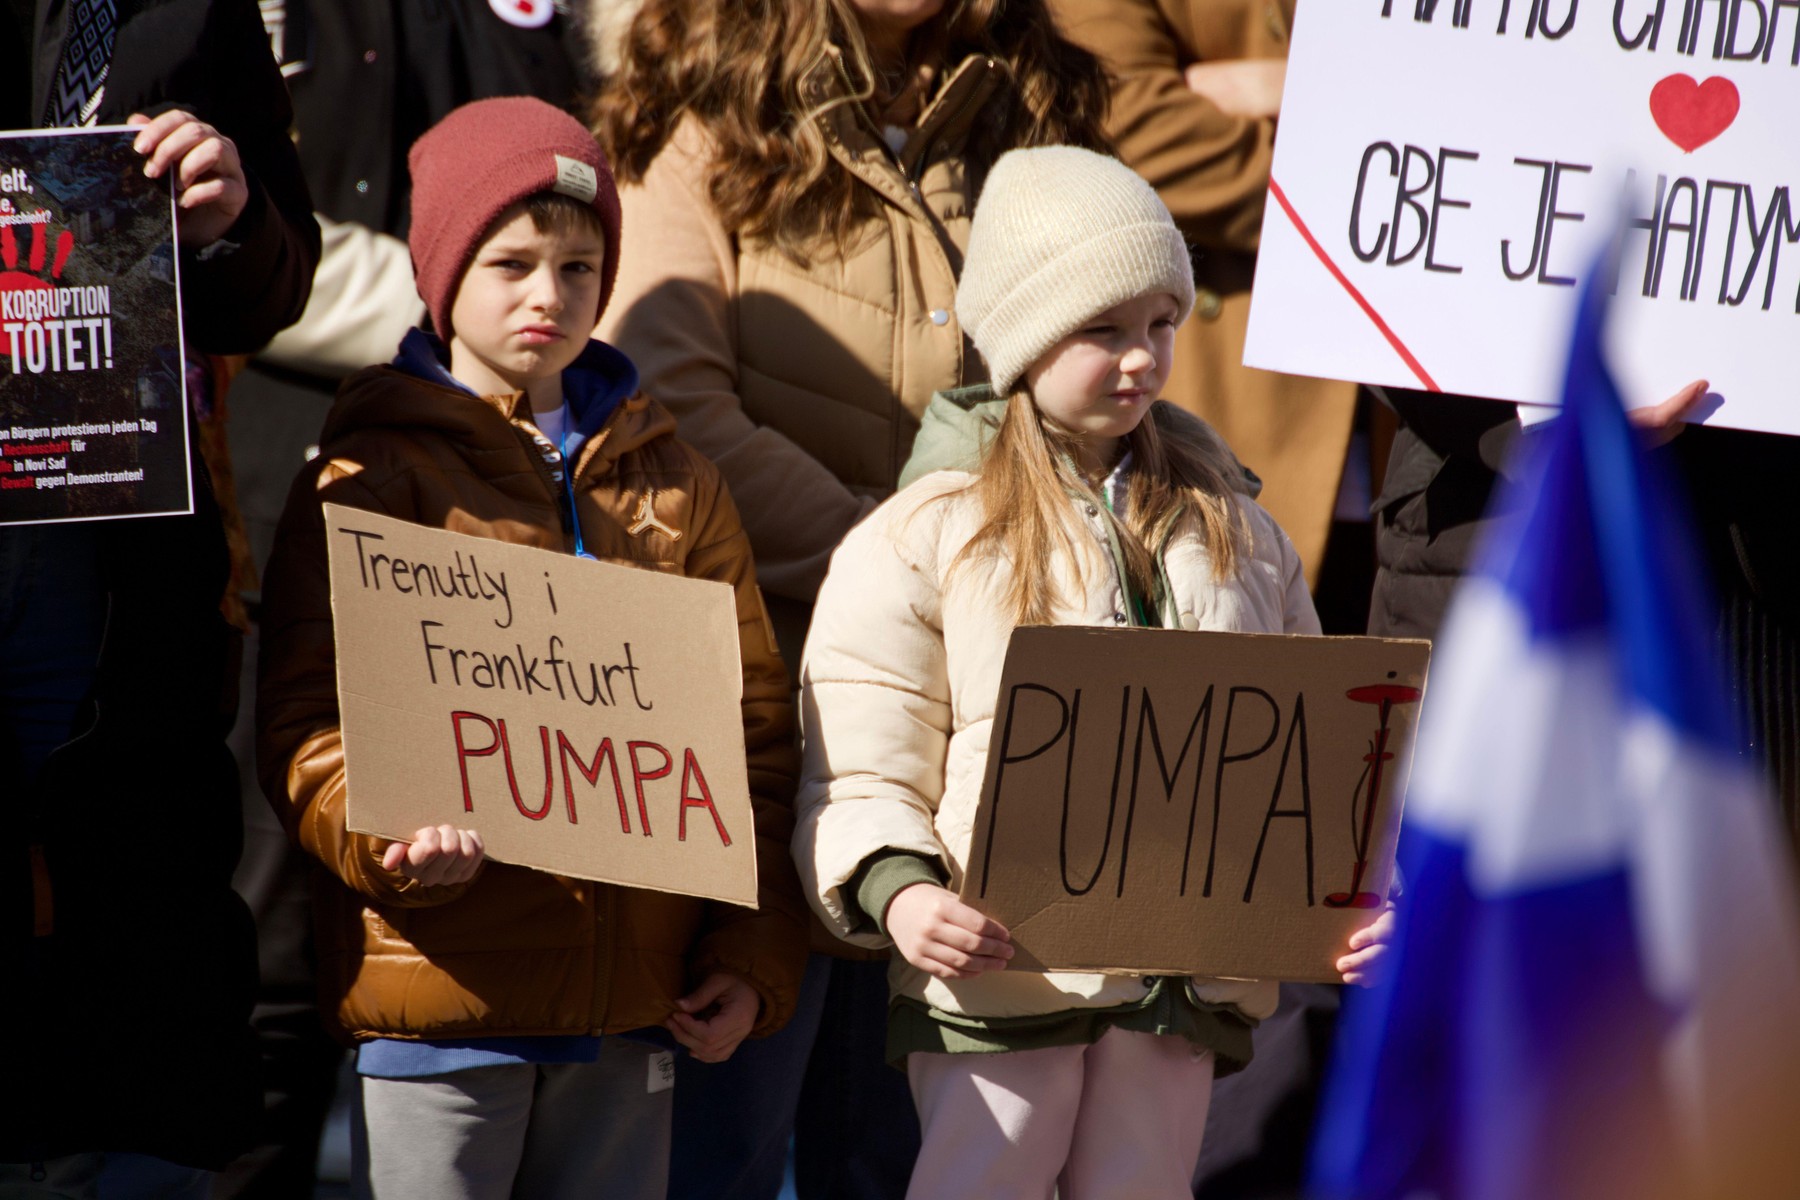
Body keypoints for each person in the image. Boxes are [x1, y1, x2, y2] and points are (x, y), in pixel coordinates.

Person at [793, 146, 1392, 1200]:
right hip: (998, 965)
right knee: (986, 1177)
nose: (1142, 358)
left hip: (1184, 969)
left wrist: (1345, 890)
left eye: (1162, 323)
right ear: (1022, 340)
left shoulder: (1241, 533)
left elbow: (1308, 750)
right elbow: (861, 751)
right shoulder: (924, 535)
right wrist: (898, 889)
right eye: (1102, 330)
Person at [591, 2, 1110, 1195]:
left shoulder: (1035, 111)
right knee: (722, 1139)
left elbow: (1093, 373)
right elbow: (671, 400)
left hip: (971, 734)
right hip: (754, 717)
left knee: (901, 1154)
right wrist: (912, 561)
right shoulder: (704, 110)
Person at [255, 97, 808, 1200]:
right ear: (441, 272)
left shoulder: (676, 482)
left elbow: (752, 749)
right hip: (443, 994)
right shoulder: (371, 475)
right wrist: (389, 833)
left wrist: (748, 958)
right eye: (509, 264)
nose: (548, 297)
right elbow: (306, 726)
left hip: (632, 1003)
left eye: (580, 266)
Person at [0, 1, 320, 1194]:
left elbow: (279, 275)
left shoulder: (192, 12)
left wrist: (230, 215)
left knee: (117, 899)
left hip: (113, 535)